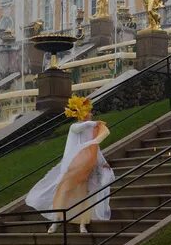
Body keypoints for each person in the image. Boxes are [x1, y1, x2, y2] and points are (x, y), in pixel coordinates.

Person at [26, 96, 114, 234]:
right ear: (82, 113)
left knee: (83, 195)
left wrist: (103, 162)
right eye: (89, 111)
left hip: (86, 166)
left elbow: (94, 147)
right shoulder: (76, 127)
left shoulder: (91, 129)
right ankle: (56, 221)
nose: (91, 113)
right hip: (73, 166)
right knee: (64, 192)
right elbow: (81, 127)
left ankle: (82, 224)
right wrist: (94, 123)